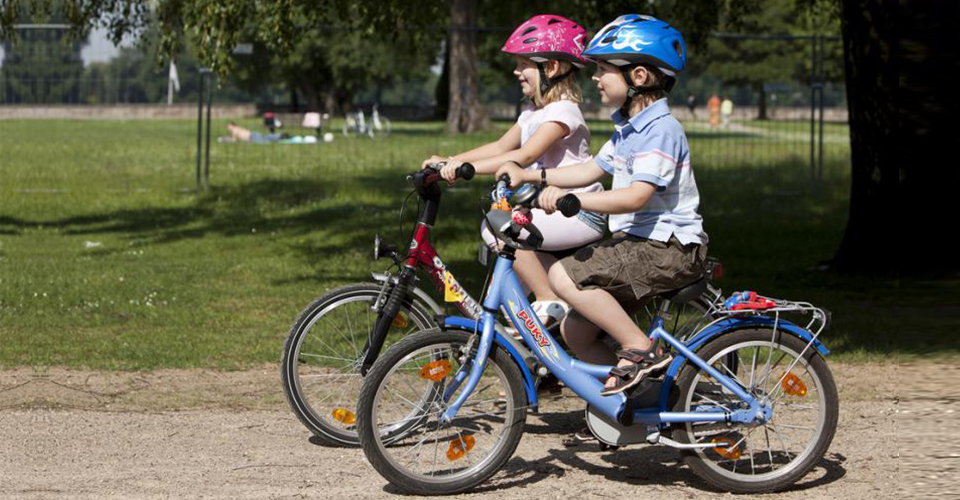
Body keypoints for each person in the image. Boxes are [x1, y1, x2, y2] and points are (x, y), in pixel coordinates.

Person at [497, 15, 708, 397]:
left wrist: (572, 202)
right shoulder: (628, 128)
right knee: (574, 331)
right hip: (641, 243)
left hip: (669, 248)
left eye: (604, 70)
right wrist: (532, 177)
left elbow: (635, 196)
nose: (594, 78)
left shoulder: (660, 129)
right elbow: (592, 168)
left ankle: (642, 349)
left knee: (562, 276)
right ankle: (636, 402)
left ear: (638, 77)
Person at [423, 14, 606, 329]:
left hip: (578, 212)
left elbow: (524, 155)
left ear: (551, 68)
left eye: (524, 64)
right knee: (513, 305)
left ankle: (551, 296)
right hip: (549, 212)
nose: (516, 70)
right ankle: (541, 367)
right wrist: (451, 160)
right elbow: (499, 147)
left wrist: (465, 170)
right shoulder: (534, 113)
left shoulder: (563, 113)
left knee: (496, 227)